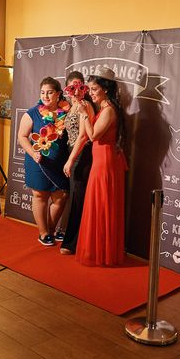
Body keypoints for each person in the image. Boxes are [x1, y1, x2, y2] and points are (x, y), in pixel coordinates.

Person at [75, 67, 127, 266]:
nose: (91, 92)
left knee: (102, 205)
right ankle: (99, 252)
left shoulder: (109, 111)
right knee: (99, 206)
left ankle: (102, 253)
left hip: (105, 164)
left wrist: (86, 115)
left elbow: (94, 135)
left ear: (105, 88)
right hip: (100, 161)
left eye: (95, 89)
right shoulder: (104, 108)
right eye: (90, 89)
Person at [17, 77, 70, 246]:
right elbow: (22, 136)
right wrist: (33, 153)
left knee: (60, 197)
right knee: (40, 196)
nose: (45, 96)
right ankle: (43, 233)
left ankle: (51, 229)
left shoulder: (67, 113)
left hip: (59, 163)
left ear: (58, 94)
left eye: (49, 92)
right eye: (42, 92)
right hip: (38, 161)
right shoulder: (32, 113)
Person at [59, 71, 95, 255]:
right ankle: (72, 239)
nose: (77, 90)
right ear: (67, 88)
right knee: (74, 197)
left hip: (82, 155)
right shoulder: (71, 106)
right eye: (73, 86)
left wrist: (71, 160)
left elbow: (83, 136)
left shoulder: (85, 105)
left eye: (81, 86)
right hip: (72, 153)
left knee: (78, 200)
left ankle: (72, 243)